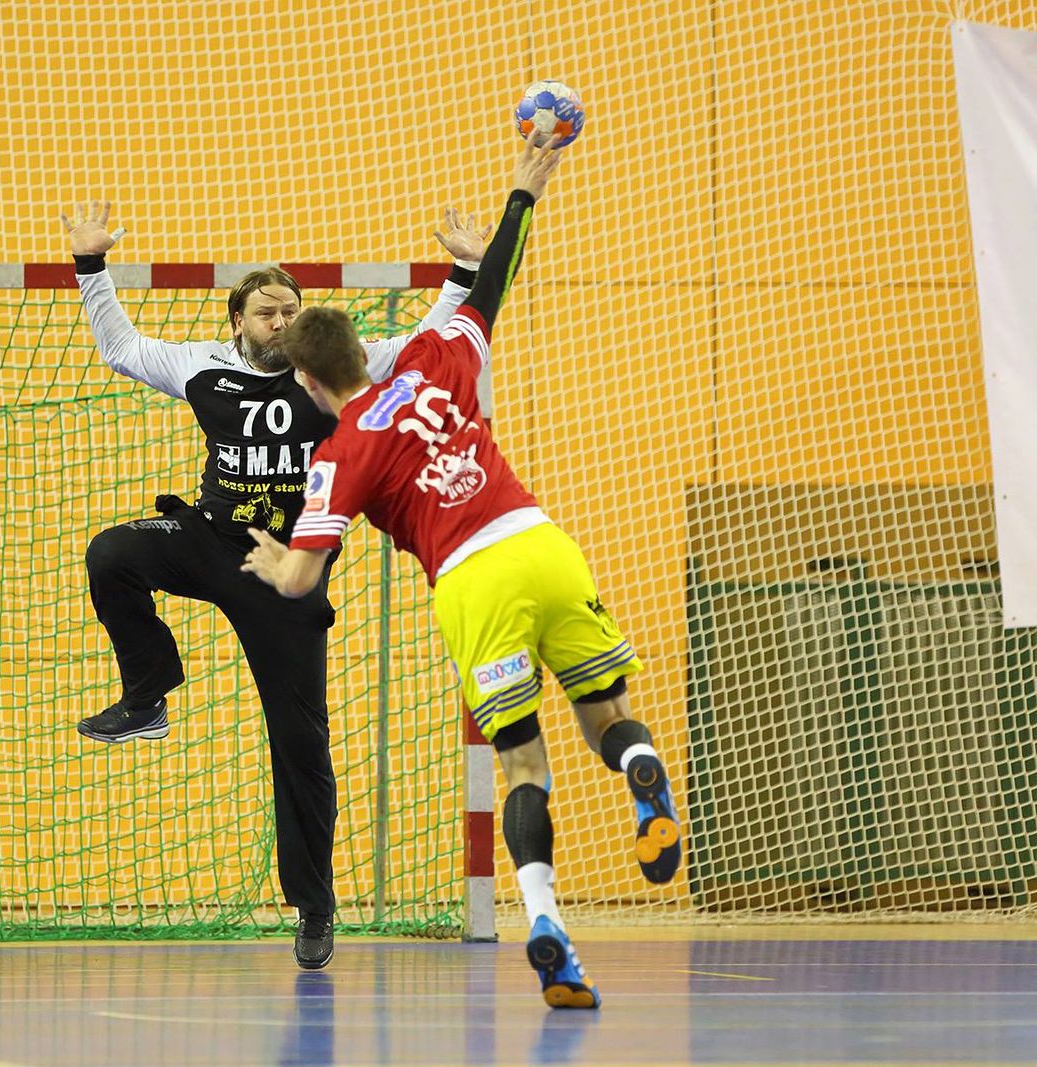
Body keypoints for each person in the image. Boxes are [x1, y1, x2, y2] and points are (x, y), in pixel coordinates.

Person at [240, 134, 682, 1008]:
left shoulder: (341, 451)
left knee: (524, 765)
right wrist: (524, 187)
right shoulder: (434, 356)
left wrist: (269, 559)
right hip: (541, 542)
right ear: (364, 350)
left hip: (473, 581)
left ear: (310, 378)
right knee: (606, 716)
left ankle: (549, 926)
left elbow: (300, 581)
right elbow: (489, 286)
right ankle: (641, 765)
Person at [60, 200, 491, 970]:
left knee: (301, 742)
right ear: (238, 321)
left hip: (287, 570)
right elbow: (121, 348)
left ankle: (315, 906)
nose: (281, 322)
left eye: (291, 311)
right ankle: (148, 695)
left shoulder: (330, 366)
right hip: (210, 540)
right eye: (267, 312)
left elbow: (423, 347)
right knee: (111, 554)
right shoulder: (201, 366)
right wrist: (91, 264)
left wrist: (463, 271)